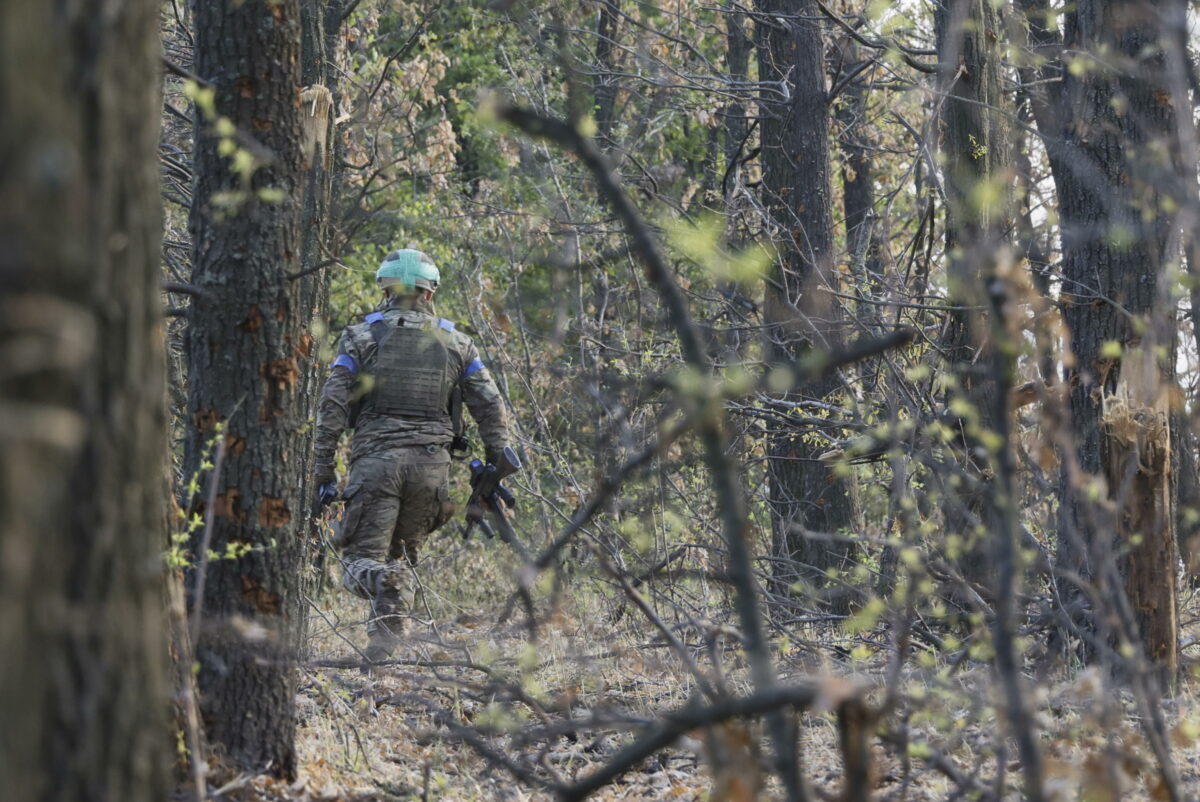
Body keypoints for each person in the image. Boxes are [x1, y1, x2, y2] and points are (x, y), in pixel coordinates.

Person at [313, 248, 511, 661]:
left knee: (360, 563)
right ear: (429, 291)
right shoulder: (458, 342)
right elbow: (489, 405)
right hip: (430, 469)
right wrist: (495, 462)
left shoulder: (360, 337)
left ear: (384, 288)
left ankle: (380, 607)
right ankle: (383, 657)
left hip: (376, 464)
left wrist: (322, 469)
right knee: (399, 567)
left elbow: (332, 405)